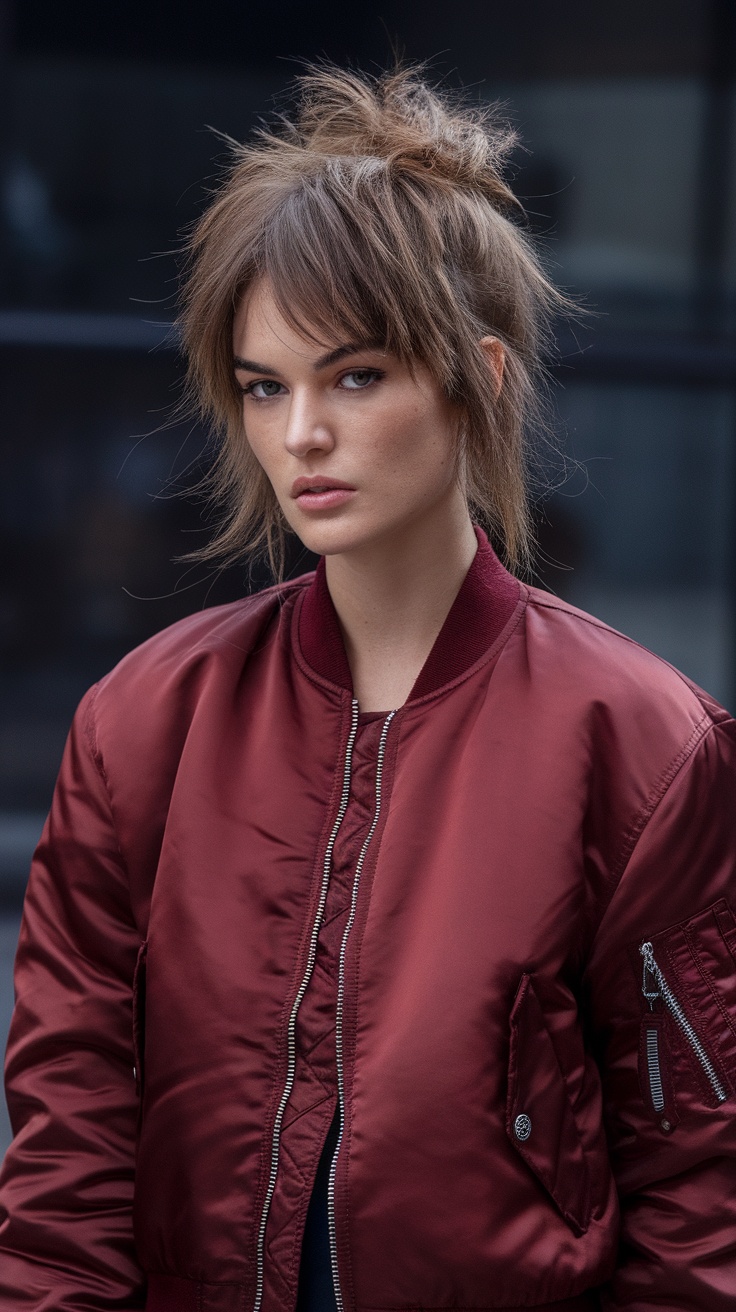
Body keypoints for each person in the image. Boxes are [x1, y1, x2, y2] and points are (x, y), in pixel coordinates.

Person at [0, 63, 735, 1312]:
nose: (299, 437)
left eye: (354, 376)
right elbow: (65, 1158)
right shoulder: (146, 721)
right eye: (263, 386)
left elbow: (696, 1195)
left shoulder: (641, 744)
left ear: (478, 382)